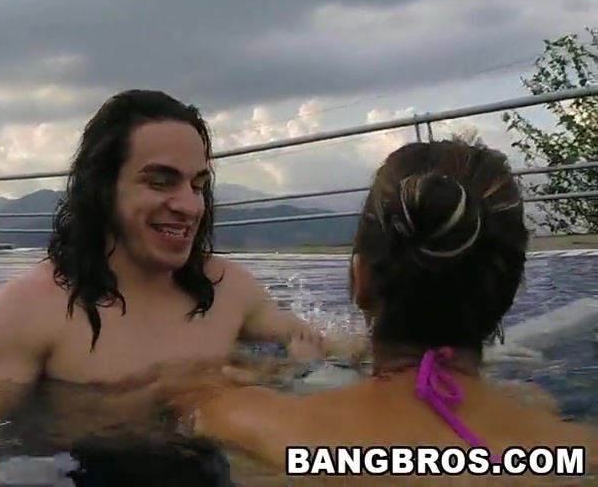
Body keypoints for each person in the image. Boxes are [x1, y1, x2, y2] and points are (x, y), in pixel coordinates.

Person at [0, 89, 325, 485]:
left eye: (197, 186)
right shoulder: (28, 310)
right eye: (160, 182)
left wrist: (293, 371)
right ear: (103, 188)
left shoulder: (229, 289)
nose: (189, 206)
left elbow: (318, 347)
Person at [171, 138, 598, 479]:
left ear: (361, 279)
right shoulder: (578, 454)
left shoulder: (243, 420)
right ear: (512, 288)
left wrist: (274, 374)